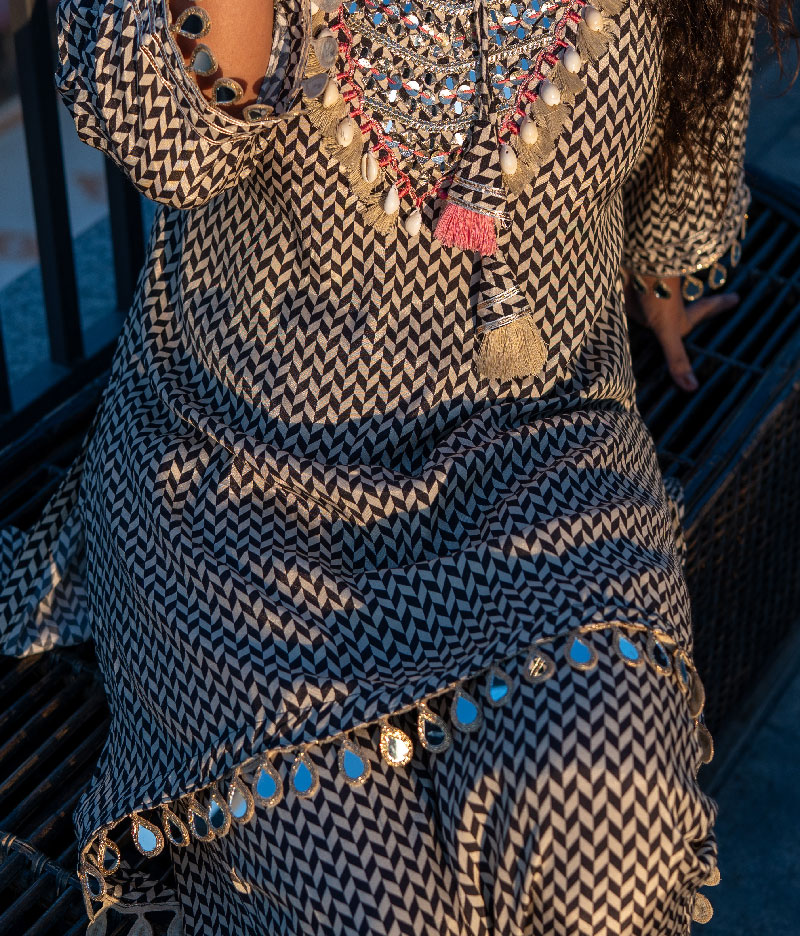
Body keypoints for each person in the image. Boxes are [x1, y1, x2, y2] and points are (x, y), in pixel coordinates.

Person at [0, 0, 794, 932]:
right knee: (378, 914)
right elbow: (166, 142)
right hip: (241, 490)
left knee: (609, 854)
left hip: (540, 455)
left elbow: (700, 98)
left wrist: (665, 274)